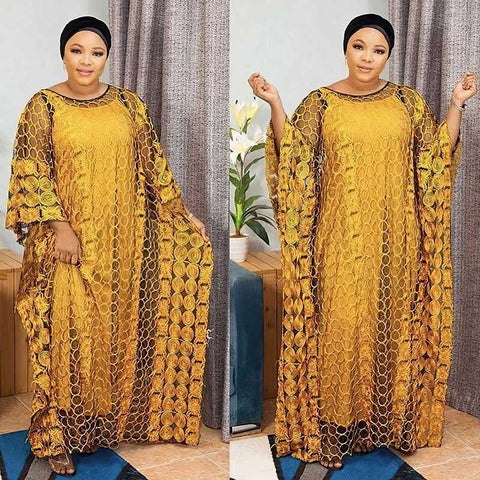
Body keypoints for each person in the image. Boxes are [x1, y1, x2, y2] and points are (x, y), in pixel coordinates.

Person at [248, 12, 477, 471]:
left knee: (389, 327)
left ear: (388, 55)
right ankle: (335, 429)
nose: (367, 57)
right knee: (341, 328)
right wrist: (275, 103)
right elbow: (293, 158)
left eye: (378, 50)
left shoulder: (407, 102)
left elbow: (435, 158)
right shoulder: (321, 103)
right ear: (346, 48)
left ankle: (386, 425)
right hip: (339, 236)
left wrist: (456, 104)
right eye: (359, 46)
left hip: (398, 240)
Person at [5, 16, 213, 476]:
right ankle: (54, 437)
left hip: (123, 243)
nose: (87, 61)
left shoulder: (129, 105)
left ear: (107, 57)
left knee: (109, 338)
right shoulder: (44, 106)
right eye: (77, 51)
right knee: (66, 341)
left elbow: (154, 167)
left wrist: (183, 214)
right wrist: (60, 226)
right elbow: (31, 170)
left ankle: (98, 427)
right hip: (67, 245)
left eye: (97, 53)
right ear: (64, 53)